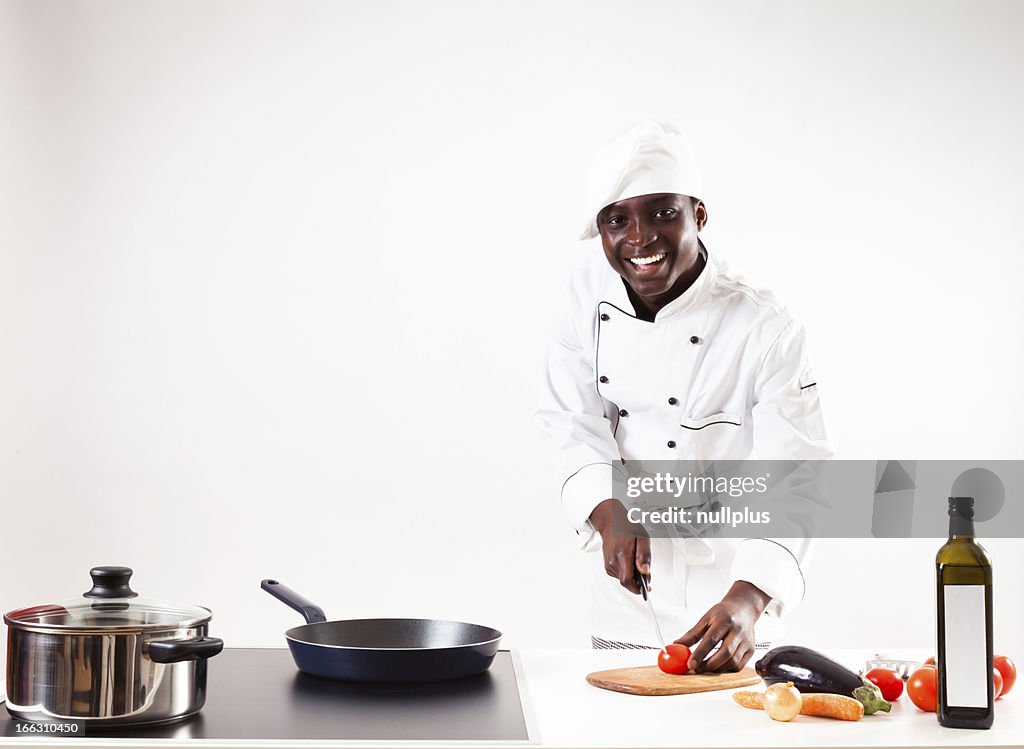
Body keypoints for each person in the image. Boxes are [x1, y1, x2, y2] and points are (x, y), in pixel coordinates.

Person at [536, 121, 832, 672]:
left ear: (699, 213)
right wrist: (609, 514)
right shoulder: (582, 296)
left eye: (662, 213)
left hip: (737, 596)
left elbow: (800, 475)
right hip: (628, 602)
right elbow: (570, 421)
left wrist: (749, 598)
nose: (640, 237)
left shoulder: (765, 326)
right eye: (617, 220)